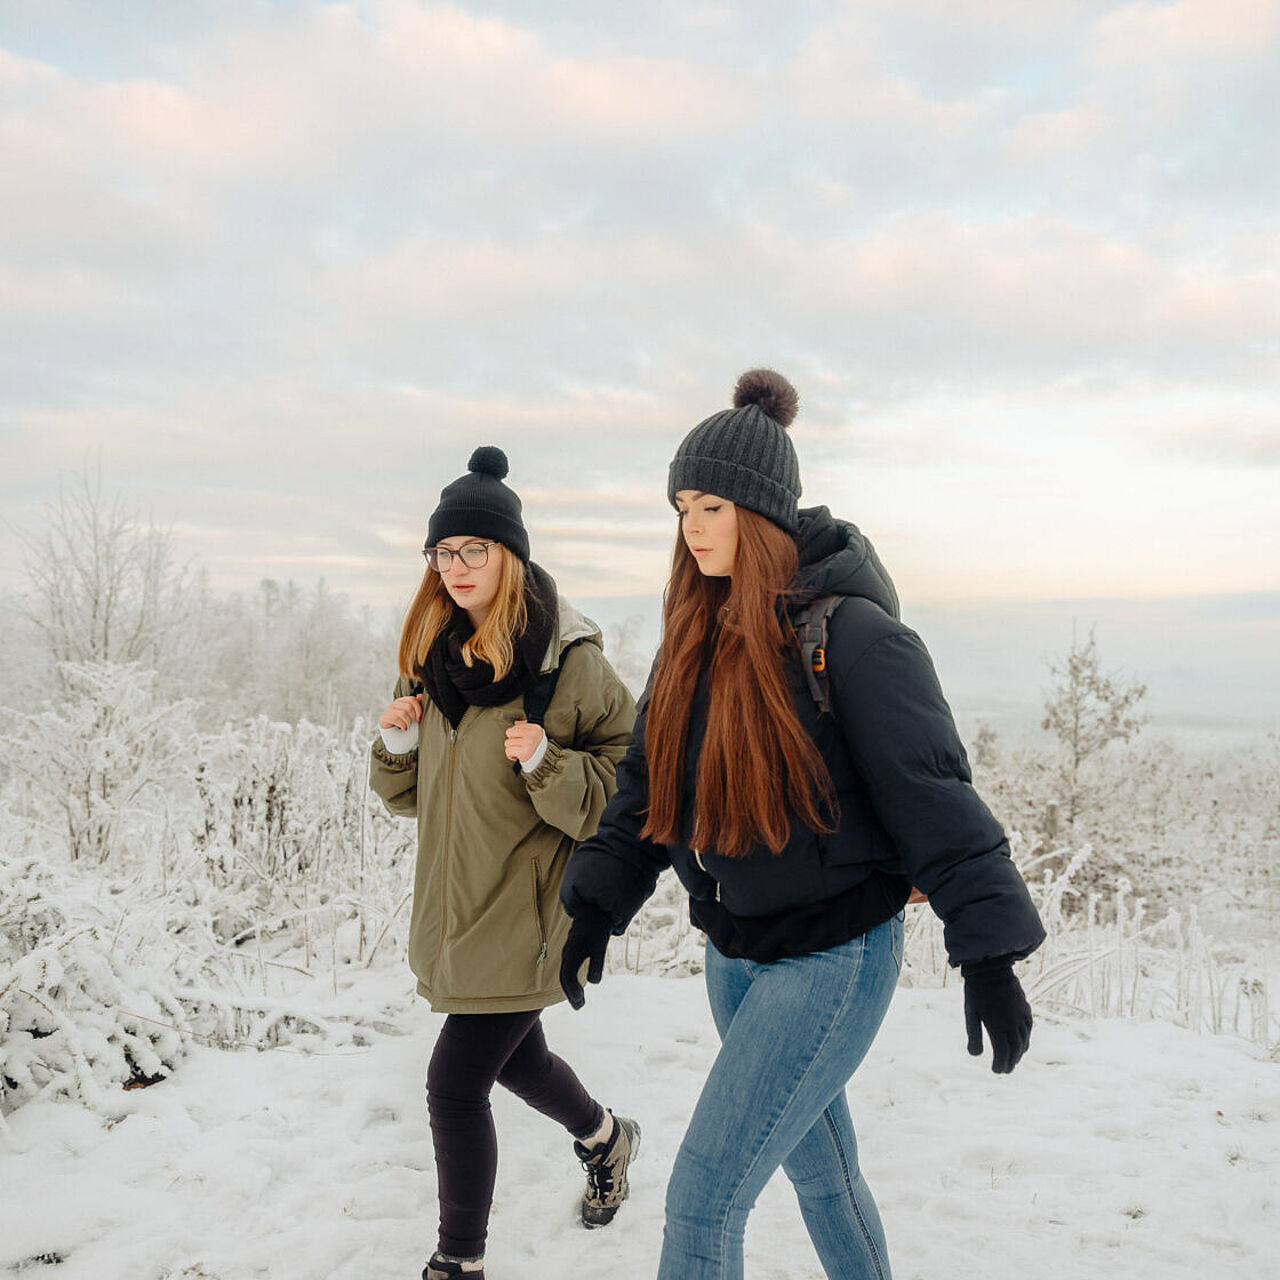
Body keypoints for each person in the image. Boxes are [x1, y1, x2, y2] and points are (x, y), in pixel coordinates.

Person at [557, 371, 1046, 1280]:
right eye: (682, 508)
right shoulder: (691, 636)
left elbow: (934, 796)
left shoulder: (853, 636)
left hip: (832, 960)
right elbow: (644, 786)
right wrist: (595, 902)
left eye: (713, 506)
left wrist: (989, 953)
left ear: (765, 512)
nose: (693, 526)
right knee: (821, 1174)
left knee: (703, 1196)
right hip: (734, 952)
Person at [369, 446, 641, 1280]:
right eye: (443, 553)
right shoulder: (433, 658)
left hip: (531, 916)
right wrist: (395, 748)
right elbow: (421, 802)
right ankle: (606, 1137)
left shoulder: (566, 664)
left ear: (510, 556)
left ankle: (460, 1263)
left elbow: (632, 784)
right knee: (518, 1060)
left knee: (455, 1086)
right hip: (457, 910)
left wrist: (547, 762)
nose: (456, 568)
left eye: (474, 550)